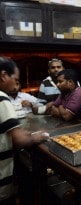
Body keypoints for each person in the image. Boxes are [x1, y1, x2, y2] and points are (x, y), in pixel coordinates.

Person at [0, 56, 49, 204]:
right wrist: (36, 137)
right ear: (3, 75)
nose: (16, 83)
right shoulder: (2, 98)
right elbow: (18, 140)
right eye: (15, 78)